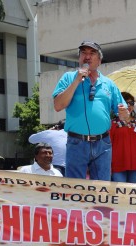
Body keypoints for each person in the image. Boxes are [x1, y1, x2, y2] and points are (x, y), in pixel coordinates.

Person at [52, 40, 129, 181]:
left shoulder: (109, 84)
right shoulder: (68, 78)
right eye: (84, 53)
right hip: (76, 142)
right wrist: (76, 81)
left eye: (92, 53)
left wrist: (125, 114)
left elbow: (125, 117)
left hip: (102, 144)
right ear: (79, 58)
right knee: (75, 189)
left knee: (101, 190)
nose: (87, 56)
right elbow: (58, 105)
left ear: (99, 60)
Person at [110, 92, 136, 183]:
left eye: (131, 103)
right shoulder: (112, 124)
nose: (129, 105)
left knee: (131, 194)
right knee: (120, 193)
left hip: (135, 163)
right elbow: (107, 144)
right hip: (118, 163)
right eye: (126, 103)